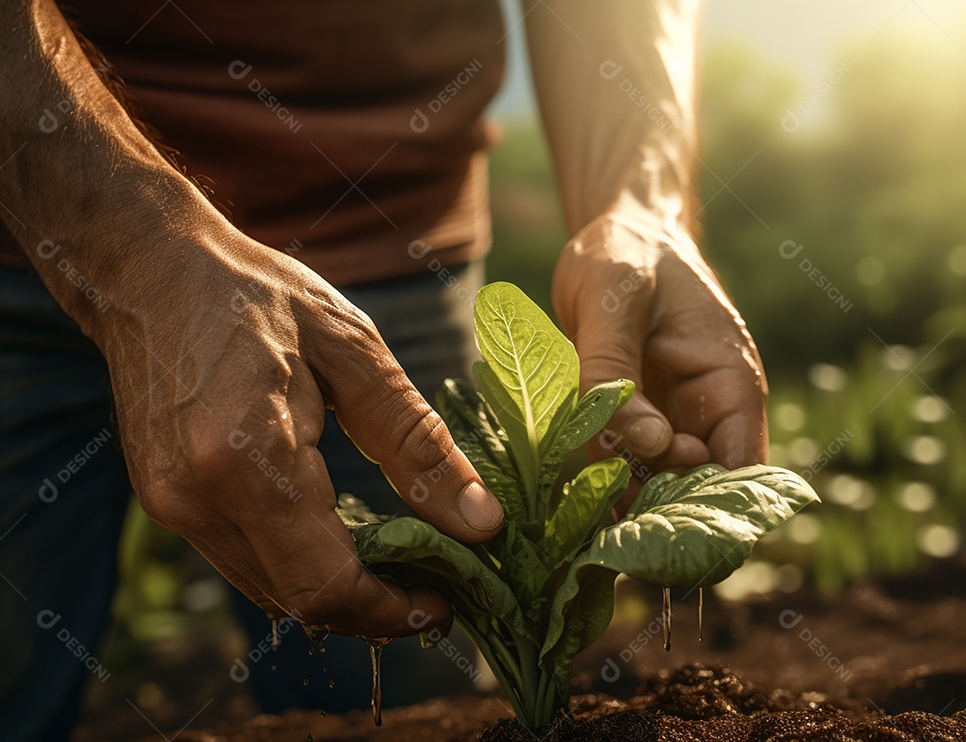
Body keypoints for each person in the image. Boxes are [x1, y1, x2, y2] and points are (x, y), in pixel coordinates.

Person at [0, 1, 768, 739]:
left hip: (390, 247)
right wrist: (139, 249)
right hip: (26, 217)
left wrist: (638, 205)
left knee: (406, 679)